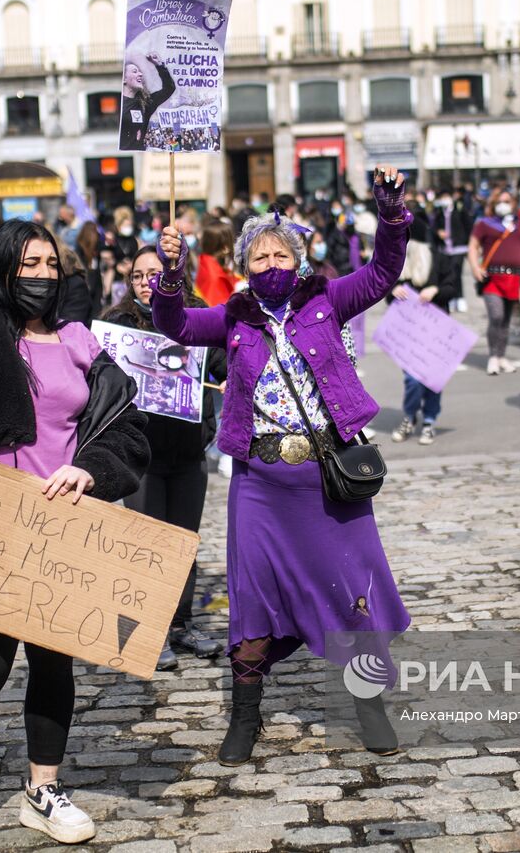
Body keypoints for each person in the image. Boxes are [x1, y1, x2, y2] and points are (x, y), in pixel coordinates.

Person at [0, 148, 150, 852]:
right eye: (29, 264)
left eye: (52, 264)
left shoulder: (79, 340)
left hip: (62, 526)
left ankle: (43, 787)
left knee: (53, 663)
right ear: (2, 266)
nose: (42, 275)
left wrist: (91, 472)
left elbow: (122, 429)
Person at [152, 166, 413, 768]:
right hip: (260, 484)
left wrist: (389, 211)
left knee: (354, 590)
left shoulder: (328, 297)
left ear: (298, 257)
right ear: (245, 265)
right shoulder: (234, 317)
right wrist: (173, 274)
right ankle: (246, 716)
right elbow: (176, 325)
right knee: (251, 596)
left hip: (326, 480)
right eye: (258, 255)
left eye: (280, 252)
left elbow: (382, 273)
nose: (270, 262)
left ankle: (370, 706)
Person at [103, 248, 225, 671]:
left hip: (189, 451)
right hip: (142, 457)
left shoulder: (196, 314)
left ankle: (181, 624)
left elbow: (223, 363)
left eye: (153, 272)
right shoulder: (116, 324)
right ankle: (148, 632)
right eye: (137, 275)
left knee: (183, 543)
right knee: (147, 547)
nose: (144, 281)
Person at [388, 215, 461, 446]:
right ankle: (409, 416)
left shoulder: (438, 258)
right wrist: (393, 291)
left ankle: (429, 420)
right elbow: (386, 293)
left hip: (436, 329)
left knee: (433, 378)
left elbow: (453, 287)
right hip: (408, 331)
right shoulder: (398, 262)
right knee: (412, 379)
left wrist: (435, 290)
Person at [468, 188, 520, 375]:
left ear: (513, 203)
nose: (504, 204)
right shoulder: (484, 224)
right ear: (493, 204)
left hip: (513, 277)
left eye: (507, 201)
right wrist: (475, 267)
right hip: (492, 278)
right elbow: (473, 246)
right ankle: (493, 356)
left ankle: (501, 356)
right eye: (499, 201)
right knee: (496, 316)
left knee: (506, 320)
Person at [119, 54, 176, 151]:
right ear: (124, 79)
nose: (140, 74)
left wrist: (160, 66)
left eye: (140, 72)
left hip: (137, 156)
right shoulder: (118, 102)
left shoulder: (146, 103)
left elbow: (169, 88)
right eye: (134, 71)